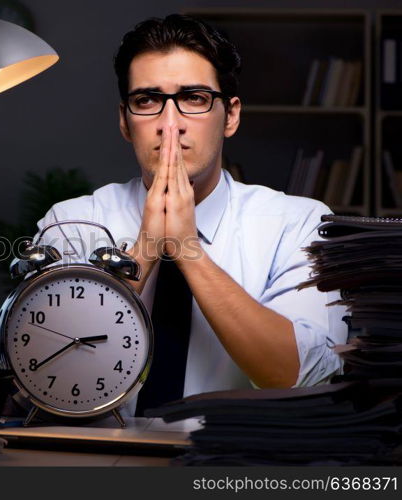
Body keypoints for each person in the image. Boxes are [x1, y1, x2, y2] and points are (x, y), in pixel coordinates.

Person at [32, 14, 348, 416]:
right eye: (147, 100)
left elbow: (304, 376)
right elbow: (48, 375)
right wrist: (146, 248)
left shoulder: (299, 224)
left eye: (193, 98)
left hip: (235, 468)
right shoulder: (73, 224)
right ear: (125, 123)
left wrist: (188, 251)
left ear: (230, 116)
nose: (170, 124)